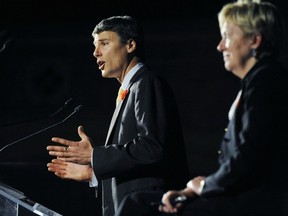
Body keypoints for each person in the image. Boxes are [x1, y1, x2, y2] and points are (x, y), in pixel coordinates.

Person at [114, 1, 288, 216]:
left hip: (252, 203)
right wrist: (190, 191)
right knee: (138, 202)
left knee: (137, 206)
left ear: (254, 40)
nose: (220, 46)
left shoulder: (266, 83)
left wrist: (204, 187)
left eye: (228, 36)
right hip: (239, 196)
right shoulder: (260, 80)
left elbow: (247, 159)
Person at [46, 15, 189, 216]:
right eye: (95, 46)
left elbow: (152, 148)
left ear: (130, 45)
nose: (96, 53)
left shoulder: (146, 83)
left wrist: (95, 156)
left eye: (104, 43)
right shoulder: (131, 88)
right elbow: (136, 164)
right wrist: (93, 172)